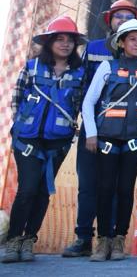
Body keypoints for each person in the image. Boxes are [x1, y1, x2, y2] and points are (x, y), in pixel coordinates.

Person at [63, 0, 137, 258]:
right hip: (94, 127)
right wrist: (82, 124)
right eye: (118, 16)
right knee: (89, 183)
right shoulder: (94, 48)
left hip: (125, 129)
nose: (123, 20)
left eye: (128, 17)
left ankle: (111, 238)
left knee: (117, 186)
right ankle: (84, 237)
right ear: (110, 21)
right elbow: (82, 86)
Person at [4, 17, 88, 263]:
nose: (65, 44)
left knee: (43, 192)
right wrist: (21, 126)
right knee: (27, 189)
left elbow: (81, 105)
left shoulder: (80, 73)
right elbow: (17, 98)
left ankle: (29, 240)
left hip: (58, 142)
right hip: (27, 139)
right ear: (49, 42)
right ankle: (13, 241)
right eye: (59, 39)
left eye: (70, 40)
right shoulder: (31, 67)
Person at [83, 19, 137, 261]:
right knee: (105, 188)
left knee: (125, 188)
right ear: (121, 43)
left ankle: (119, 240)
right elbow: (88, 102)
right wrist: (91, 133)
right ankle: (103, 240)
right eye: (132, 39)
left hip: (136, 137)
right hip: (106, 136)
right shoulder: (108, 67)